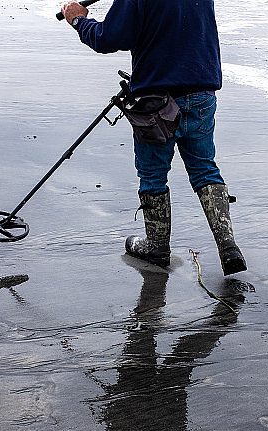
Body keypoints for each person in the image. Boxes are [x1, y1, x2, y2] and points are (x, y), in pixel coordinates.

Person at [61, 0, 247, 276]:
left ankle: (157, 247)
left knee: (153, 173)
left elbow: (108, 38)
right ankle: (228, 245)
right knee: (204, 168)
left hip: (155, 100)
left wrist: (79, 20)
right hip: (201, 91)